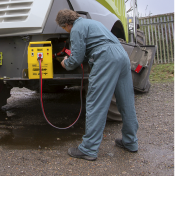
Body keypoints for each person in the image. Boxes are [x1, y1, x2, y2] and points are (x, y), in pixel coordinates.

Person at [55, 9, 138, 161]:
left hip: (106, 58)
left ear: (67, 24)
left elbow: (76, 58)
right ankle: (130, 141)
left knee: (96, 102)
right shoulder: (93, 23)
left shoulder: (77, 29)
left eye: (63, 28)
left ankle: (88, 149)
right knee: (126, 102)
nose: (65, 31)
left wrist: (66, 62)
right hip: (122, 56)